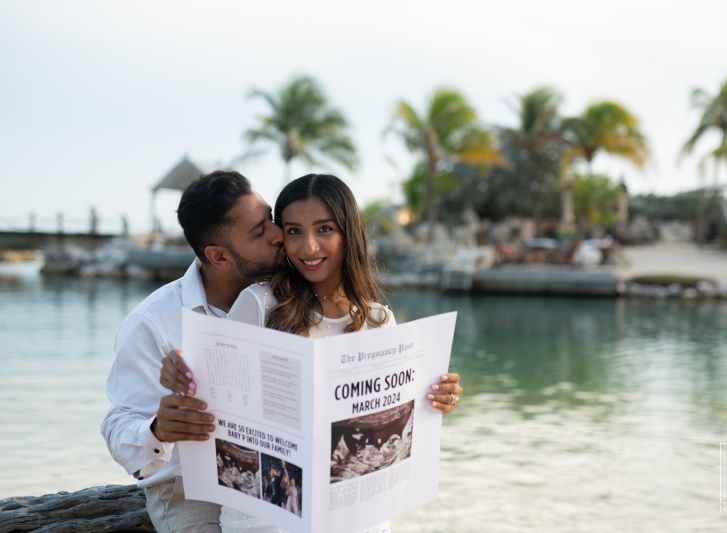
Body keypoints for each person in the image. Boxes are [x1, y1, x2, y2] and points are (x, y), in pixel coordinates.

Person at [102, 170, 461, 533]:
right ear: (220, 256)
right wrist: (161, 427)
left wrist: (431, 395)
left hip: (323, 483)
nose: (282, 238)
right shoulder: (154, 323)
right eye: (264, 231)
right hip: (187, 480)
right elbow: (122, 424)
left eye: (271, 221)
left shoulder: (366, 315)